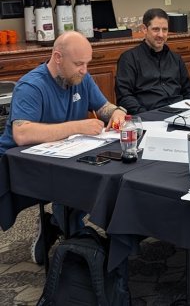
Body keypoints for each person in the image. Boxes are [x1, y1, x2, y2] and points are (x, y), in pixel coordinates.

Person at [0, 31, 126, 265]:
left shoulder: (81, 78)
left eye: (87, 63)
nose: (84, 70)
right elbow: (22, 133)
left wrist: (117, 112)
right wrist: (77, 126)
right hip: (21, 163)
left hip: (65, 155)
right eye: (79, 63)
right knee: (76, 183)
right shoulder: (31, 86)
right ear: (57, 57)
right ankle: (68, 231)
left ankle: (63, 227)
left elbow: (104, 106)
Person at [115, 8, 190, 114]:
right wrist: (146, 116)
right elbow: (124, 97)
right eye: (156, 29)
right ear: (144, 29)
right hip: (150, 117)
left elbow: (188, 91)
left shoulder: (176, 59)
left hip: (182, 114)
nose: (161, 35)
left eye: (165, 29)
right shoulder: (129, 59)